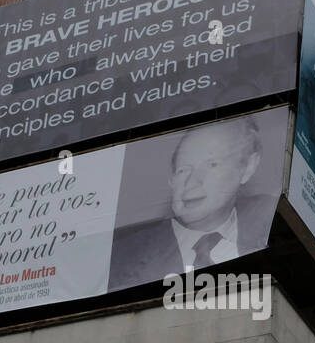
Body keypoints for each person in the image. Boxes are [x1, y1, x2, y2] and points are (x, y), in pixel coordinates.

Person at [108, 118, 275, 291]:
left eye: (212, 164)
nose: (192, 182)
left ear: (247, 168)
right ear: (171, 180)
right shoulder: (119, 259)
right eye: (182, 170)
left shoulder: (276, 230)